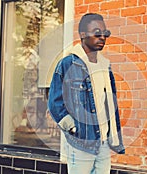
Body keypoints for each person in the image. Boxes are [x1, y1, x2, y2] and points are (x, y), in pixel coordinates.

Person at [48, 13, 125, 174]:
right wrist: (74, 129)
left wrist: (113, 133)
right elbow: (55, 103)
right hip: (81, 142)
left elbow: (108, 102)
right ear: (83, 35)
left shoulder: (105, 65)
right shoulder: (68, 64)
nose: (102, 37)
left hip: (103, 141)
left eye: (105, 33)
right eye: (97, 33)